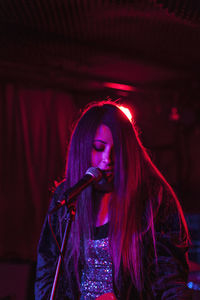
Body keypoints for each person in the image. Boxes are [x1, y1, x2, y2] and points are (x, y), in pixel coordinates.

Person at [35, 101, 191, 299]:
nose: (107, 159)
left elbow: (168, 280)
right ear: (82, 149)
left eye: (117, 150)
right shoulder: (66, 196)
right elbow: (47, 272)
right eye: (98, 148)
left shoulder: (153, 198)